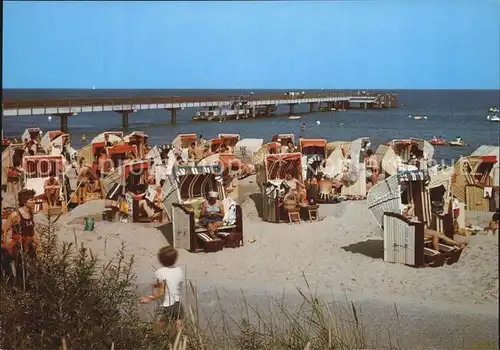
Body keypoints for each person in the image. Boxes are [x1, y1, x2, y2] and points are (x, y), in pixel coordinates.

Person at [140, 246, 185, 331]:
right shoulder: (179, 270)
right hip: (177, 304)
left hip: (166, 305)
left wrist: (149, 298)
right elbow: (174, 283)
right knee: (180, 330)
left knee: (159, 330)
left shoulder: (160, 272)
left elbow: (161, 292)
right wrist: (159, 284)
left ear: (160, 260)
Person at [2, 189, 37, 286]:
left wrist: (35, 241)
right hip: (19, 246)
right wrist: (7, 244)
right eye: (31, 199)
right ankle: (20, 290)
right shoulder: (15, 215)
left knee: (33, 268)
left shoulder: (31, 214)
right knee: (21, 269)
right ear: (24, 201)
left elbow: (32, 230)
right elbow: (5, 229)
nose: (34, 201)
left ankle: (30, 289)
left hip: (30, 245)